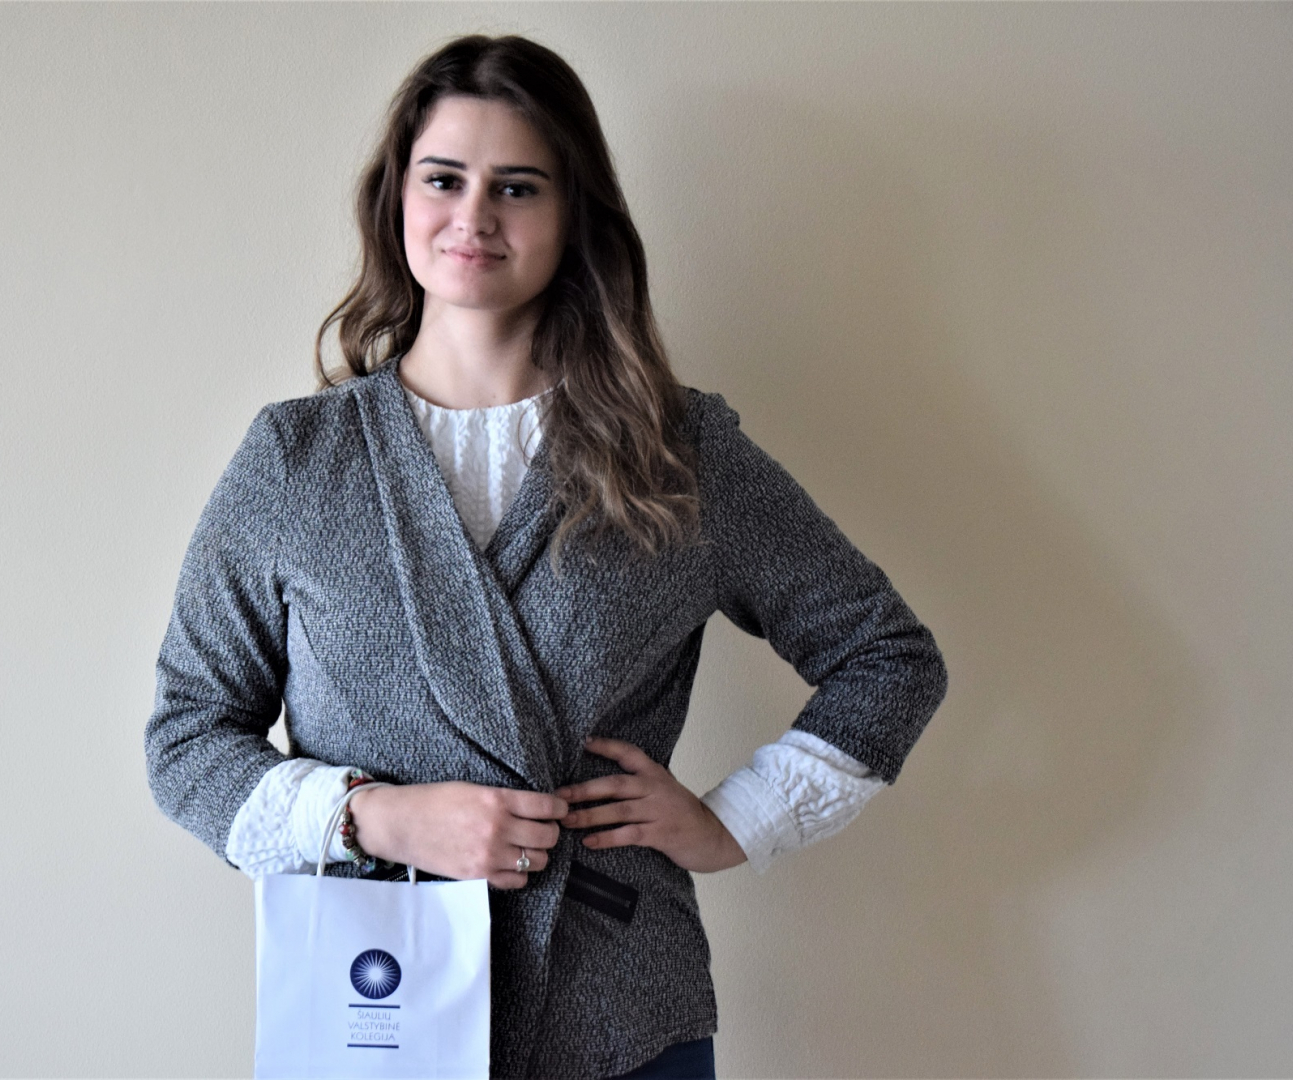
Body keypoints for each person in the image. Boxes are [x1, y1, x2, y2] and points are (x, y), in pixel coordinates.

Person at [145, 33, 947, 1080]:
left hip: (621, 1011)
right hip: (373, 1010)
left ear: (573, 216)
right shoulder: (296, 460)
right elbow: (187, 742)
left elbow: (887, 657)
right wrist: (374, 818)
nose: (473, 217)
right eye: (443, 179)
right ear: (396, 199)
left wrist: (734, 822)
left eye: (516, 187)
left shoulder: (676, 452)